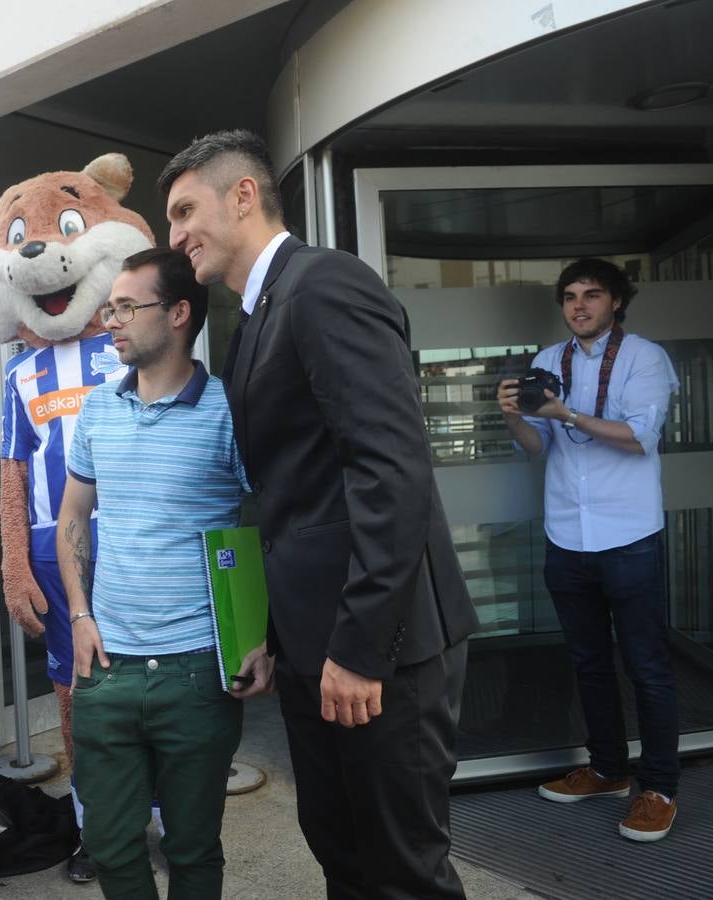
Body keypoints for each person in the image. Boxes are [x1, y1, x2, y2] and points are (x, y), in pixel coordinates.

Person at [159, 130, 479, 899]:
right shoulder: (257, 315)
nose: (174, 238)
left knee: (404, 873)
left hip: (380, 654)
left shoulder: (325, 284)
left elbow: (391, 470)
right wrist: (272, 636)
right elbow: (292, 499)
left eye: (182, 212)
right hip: (315, 651)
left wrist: (362, 649)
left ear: (244, 195)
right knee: (345, 859)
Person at [56, 248, 249, 897]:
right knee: (111, 846)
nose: (110, 320)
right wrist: (79, 615)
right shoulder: (97, 410)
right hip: (106, 668)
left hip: (197, 672)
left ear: (178, 314)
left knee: (192, 851)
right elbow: (73, 520)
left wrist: (258, 634)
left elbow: (263, 528)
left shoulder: (228, 411)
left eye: (125, 308)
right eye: (108, 308)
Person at [497, 258, 680, 842]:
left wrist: (565, 411)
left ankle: (658, 787)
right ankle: (606, 769)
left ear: (616, 302)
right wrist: (513, 418)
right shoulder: (548, 362)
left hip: (629, 536)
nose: (579, 305)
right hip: (567, 536)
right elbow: (538, 445)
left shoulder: (645, 358)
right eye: (571, 296)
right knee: (589, 663)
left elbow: (636, 438)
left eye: (592, 295)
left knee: (648, 667)